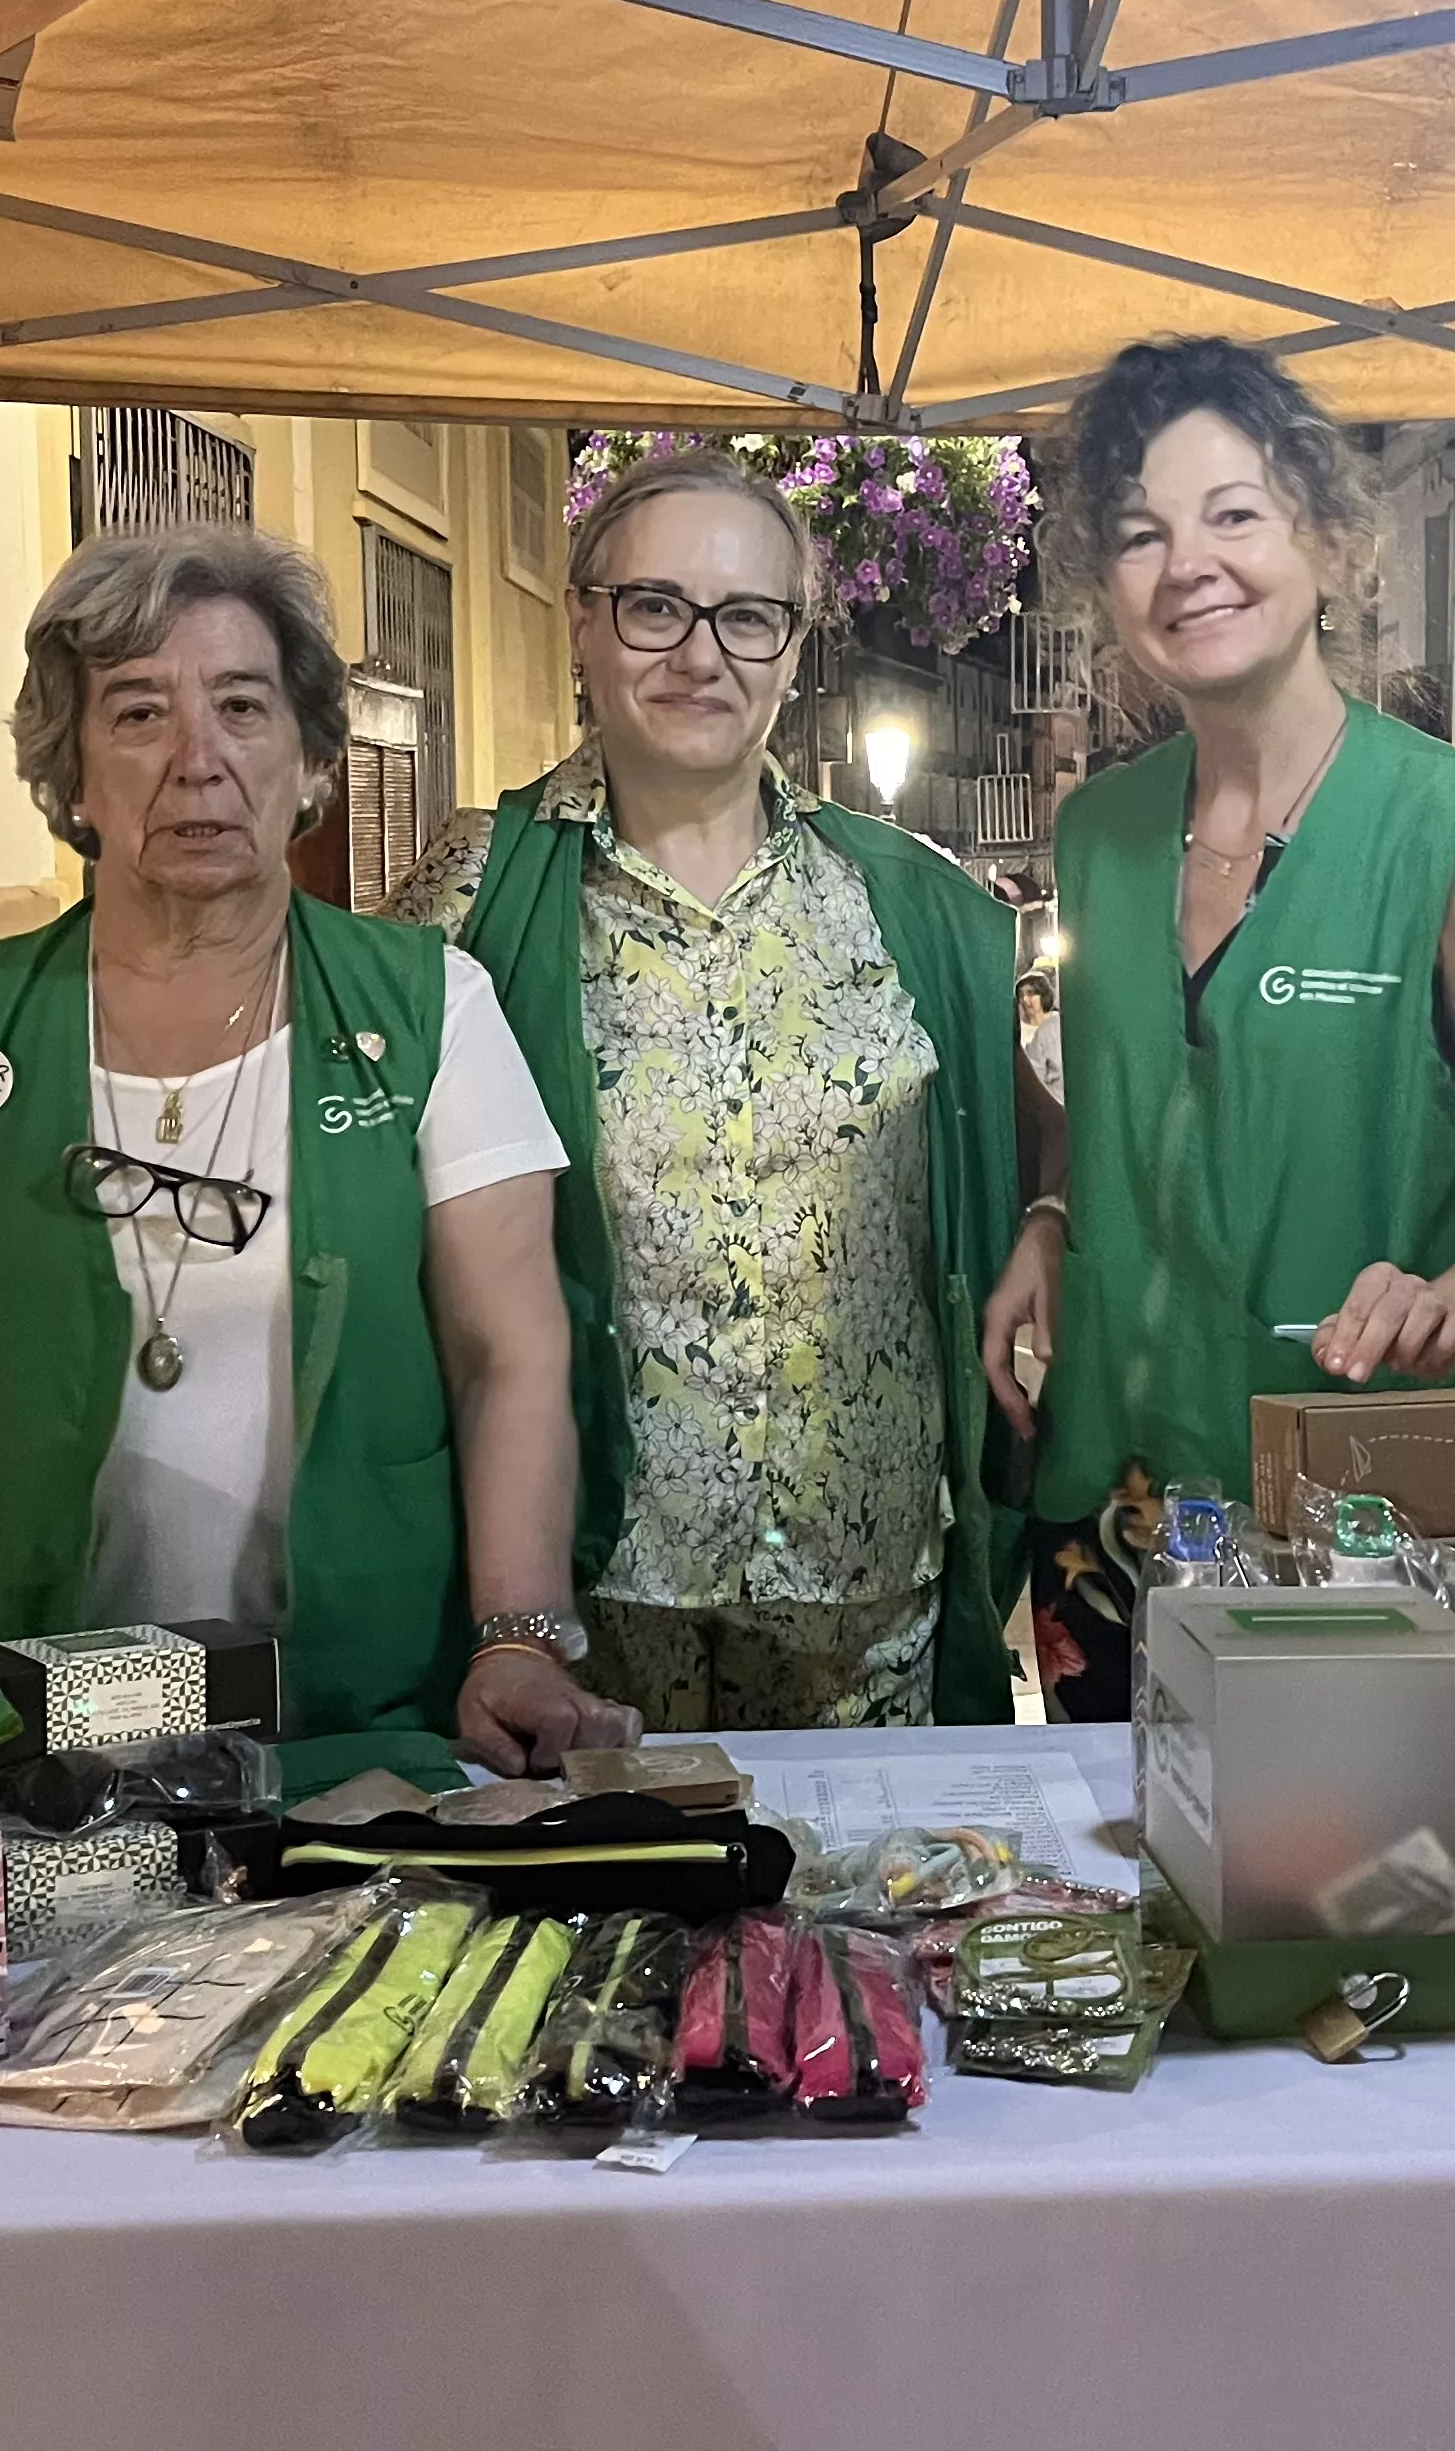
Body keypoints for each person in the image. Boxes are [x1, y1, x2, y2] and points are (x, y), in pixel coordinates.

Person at [0, 525, 636, 1781]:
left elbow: (509, 1355)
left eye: (244, 708)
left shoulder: (431, 1009)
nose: (198, 762)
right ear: (73, 774)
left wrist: (518, 1636)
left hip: (342, 1727)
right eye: (140, 713)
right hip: (17, 1725)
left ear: (312, 758)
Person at [977, 336, 1455, 1720]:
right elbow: (1147, 1111)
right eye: (1140, 534)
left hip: (1375, 1512)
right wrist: (1045, 1215)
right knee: (1127, 1898)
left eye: (1234, 514)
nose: (1187, 562)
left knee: (1360, 1912)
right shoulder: (1100, 833)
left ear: (1326, 539)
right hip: (1116, 1513)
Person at [393, 444, 1019, 1734]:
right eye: (655, 606)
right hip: (588, 1594)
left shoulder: (908, 903)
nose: (701, 655)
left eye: (747, 617)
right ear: (582, 618)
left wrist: (1054, 1231)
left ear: (794, 648)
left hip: (868, 1580)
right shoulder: (470, 893)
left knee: (860, 1925)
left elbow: (1036, 1144)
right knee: (617, 1928)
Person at [1015, 966, 1065, 1109]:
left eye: (1031, 994)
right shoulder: (1017, 1028)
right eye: (1021, 995)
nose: (1025, 1000)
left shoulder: (1057, 1024)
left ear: (1043, 995)